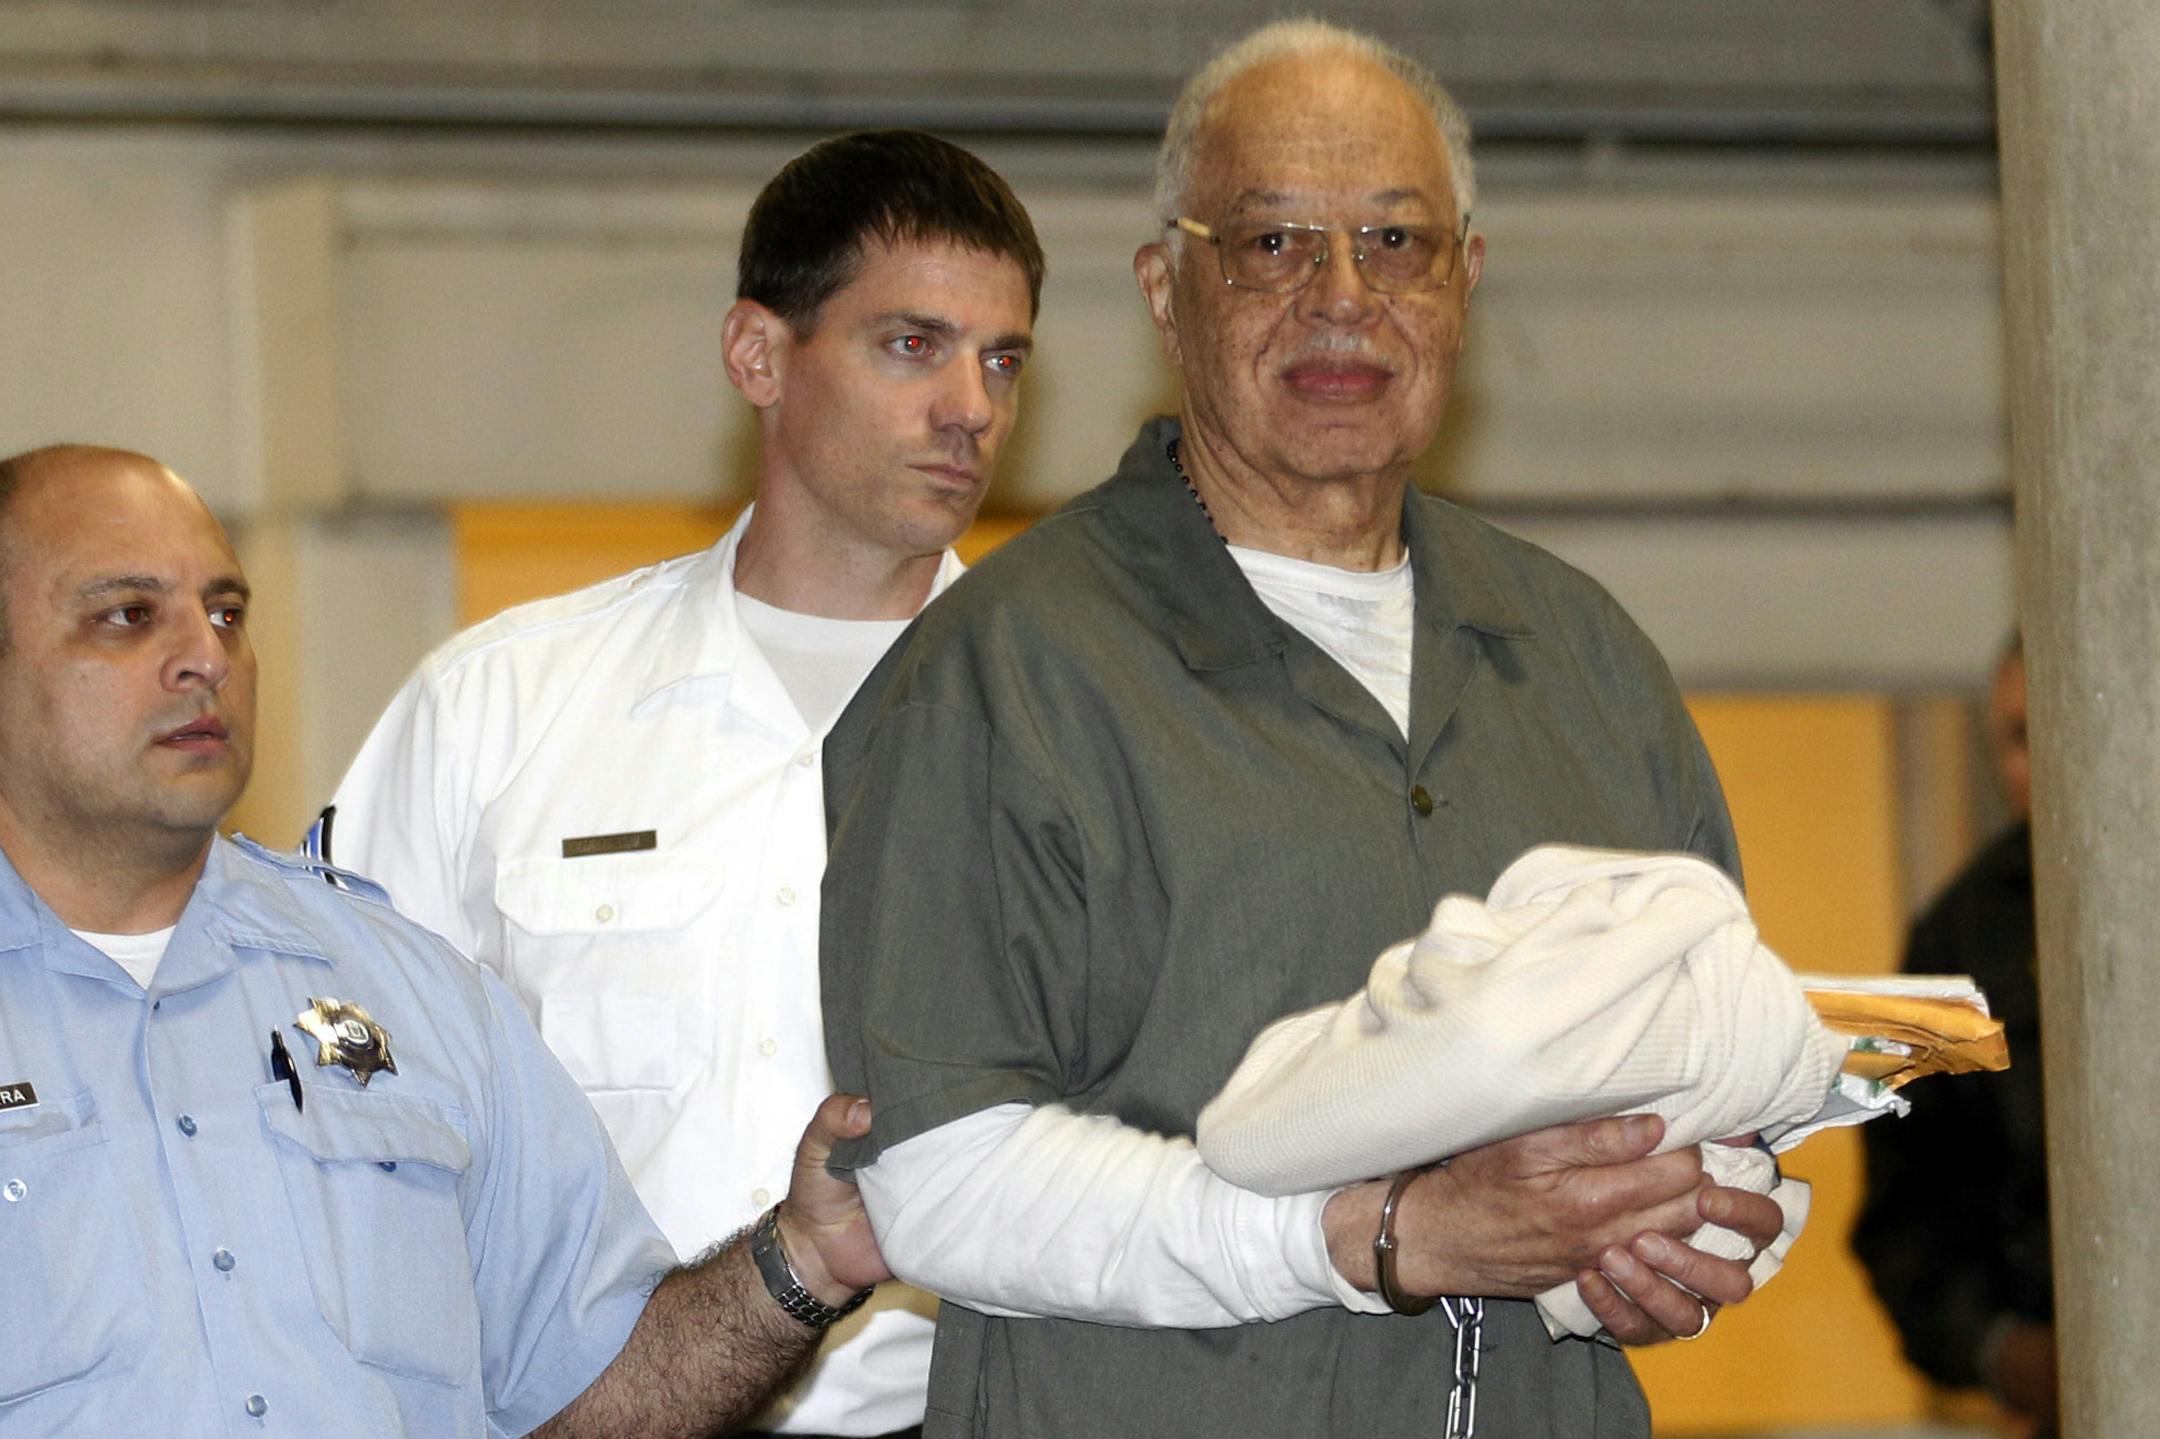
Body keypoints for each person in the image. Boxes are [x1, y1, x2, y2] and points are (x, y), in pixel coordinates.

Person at [818, 20, 1790, 1438]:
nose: (1343, 297)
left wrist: (1665, 1236)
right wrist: (1368, 1233)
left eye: (1396, 243)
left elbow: (1727, 1087)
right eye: (1272, 245)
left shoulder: (1582, 659)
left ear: (1465, 280)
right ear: (1168, 291)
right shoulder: (1008, 668)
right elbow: (941, 1178)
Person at [319, 130, 1044, 1439]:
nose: (971, 408)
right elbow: (332, 1102)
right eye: (912, 345)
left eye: (1002, 359)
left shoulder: (1074, 725)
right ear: (759, 355)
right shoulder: (499, 705)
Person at [0, 443, 886, 1437]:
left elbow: (587, 1389)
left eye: (227, 612)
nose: (205, 655)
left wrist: (806, 1258)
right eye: (129, 614)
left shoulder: (413, 991)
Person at [1855, 638, 2053, 1433]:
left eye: (2063, 730)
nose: (2041, 766)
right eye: (2018, 737)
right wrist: (2001, 1349)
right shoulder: (1954, 941)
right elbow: (1904, 1210)